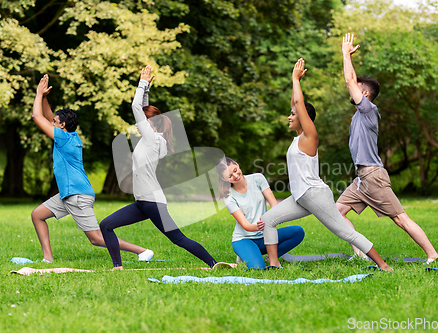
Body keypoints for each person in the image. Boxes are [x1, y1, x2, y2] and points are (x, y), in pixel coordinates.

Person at [261, 58, 393, 271]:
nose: (289, 115)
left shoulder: (309, 136)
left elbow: (299, 105)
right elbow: (296, 104)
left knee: (345, 232)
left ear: (305, 119)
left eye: (293, 114)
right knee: (268, 219)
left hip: (314, 194)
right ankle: (275, 266)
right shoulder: (297, 139)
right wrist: (295, 82)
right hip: (300, 196)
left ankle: (383, 265)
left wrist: (296, 80)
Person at [100, 65, 219, 270]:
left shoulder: (153, 139)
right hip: (143, 202)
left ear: (149, 122)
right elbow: (144, 111)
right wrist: (146, 91)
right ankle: (117, 267)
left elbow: (137, 109)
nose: (136, 124)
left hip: (152, 202)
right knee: (106, 225)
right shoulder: (153, 139)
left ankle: (214, 264)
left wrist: (142, 83)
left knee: (178, 238)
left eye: (142, 121)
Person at [335, 33, 438, 263]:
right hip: (361, 179)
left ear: (365, 94)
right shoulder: (357, 116)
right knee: (337, 212)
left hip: (373, 176)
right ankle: (360, 253)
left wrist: (345, 54)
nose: (350, 88)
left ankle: (433, 255)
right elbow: (351, 81)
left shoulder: (369, 111)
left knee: (400, 219)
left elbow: (350, 81)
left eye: (356, 88)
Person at [30, 75, 153, 263]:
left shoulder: (63, 139)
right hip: (69, 193)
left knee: (96, 238)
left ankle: (142, 251)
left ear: (62, 125)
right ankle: (48, 258)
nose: (51, 123)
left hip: (77, 195)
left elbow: (37, 117)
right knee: (37, 215)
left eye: (55, 122)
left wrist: (38, 94)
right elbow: (47, 117)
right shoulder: (69, 136)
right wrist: (45, 97)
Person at [216, 157, 305, 269]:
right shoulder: (228, 197)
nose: (235, 176)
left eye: (235, 170)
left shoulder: (257, 178)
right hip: (244, 239)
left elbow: (273, 204)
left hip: (265, 237)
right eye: (230, 176)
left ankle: (272, 256)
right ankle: (245, 256)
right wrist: (259, 226)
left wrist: (275, 217)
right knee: (257, 267)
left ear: (237, 165)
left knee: (297, 232)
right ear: (224, 179)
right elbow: (246, 225)